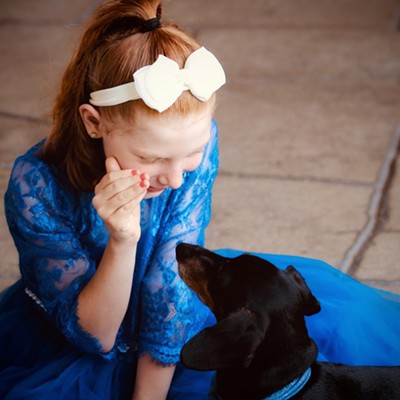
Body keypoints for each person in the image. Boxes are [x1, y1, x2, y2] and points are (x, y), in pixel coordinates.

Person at [1, 0, 399, 399]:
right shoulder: (36, 186)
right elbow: (96, 338)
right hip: (84, 331)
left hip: (175, 323)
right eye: (151, 158)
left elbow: (168, 284)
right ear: (93, 122)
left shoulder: (195, 153)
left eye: (191, 154)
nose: (175, 179)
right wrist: (123, 240)